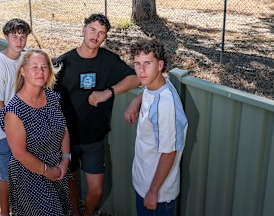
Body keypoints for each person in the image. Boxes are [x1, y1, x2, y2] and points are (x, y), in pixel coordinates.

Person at [55, 14, 140, 216]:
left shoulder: (109, 61)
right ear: (83, 30)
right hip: (68, 139)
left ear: (104, 38)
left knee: (96, 189)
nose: (96, 36)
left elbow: (136, 78)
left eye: (101, 33)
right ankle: (76, 212)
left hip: (95, 139)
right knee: (71, 180)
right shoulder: (64, 63)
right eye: (92, 29)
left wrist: (108, 92)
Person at [0, 49, 71, 215]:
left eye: (44, 67)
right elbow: (19, 154)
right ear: (23, 71)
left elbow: (63, 128)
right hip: (29, 176)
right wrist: (47, 171)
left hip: (57, 168)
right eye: (35, 67)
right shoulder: (14, 110)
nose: (40, 72)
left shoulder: (53, 97)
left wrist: (65, 160)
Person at [127, 38, 187, 216]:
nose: (141, 70)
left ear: (160, 65)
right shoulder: (156, 84)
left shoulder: (165, 106)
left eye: (147, 63)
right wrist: (136, 102)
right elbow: (150, 89)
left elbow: (169, 152)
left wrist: (153, 191)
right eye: (137, 64)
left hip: (157, 194)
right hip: (144, 180)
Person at [0, 18, 31, 216]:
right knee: (8, 178)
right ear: (6, 38)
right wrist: (12, 134)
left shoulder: (24, 59)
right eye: (14, 37)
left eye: (23, 37)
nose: (19, 41)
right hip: (2, 132)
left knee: (25, 176)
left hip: (20, 127)